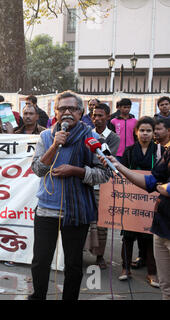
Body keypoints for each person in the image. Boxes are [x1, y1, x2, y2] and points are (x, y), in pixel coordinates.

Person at [29, 90, 109, 300]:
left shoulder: (93, 138)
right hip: (46, 209)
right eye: (62, 108)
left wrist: (77, 171)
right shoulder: (46, 136)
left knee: (73, 264)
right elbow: (38, 169)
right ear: (55, 112)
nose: (67, 112)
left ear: (81, 112)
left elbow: (105, 173)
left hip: (77, 211)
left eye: (72, 108)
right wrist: (55, 145)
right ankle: (38, 296)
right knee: (40, 261)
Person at [98, 135, 170, 300]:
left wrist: (163, 187)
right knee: (166, 288)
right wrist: (119, 166)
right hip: (161, 228)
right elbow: (151, 182)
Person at [117, 117, 162, 288]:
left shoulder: (159, 151)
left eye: (148, 131)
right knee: (127, 237)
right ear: (136, 132)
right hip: (131, 201)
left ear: (153, 133)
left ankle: (151, 273)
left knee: (149, 238)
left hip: (150, 201)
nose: (145, 134)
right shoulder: (128, 151)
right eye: (142, 130)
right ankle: (125, 269)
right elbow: (121, 172)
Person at [88, 103, 120, 269]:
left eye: (101, 116)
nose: (97, 119)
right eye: (94, 115)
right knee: (84, 220)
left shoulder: (114, 138)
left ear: (108, 117)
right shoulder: (87, 133)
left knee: (102, 223)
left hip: (103, 185)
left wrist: (92, 162)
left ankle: (99, 255)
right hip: (86, 183)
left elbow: (107, 160)